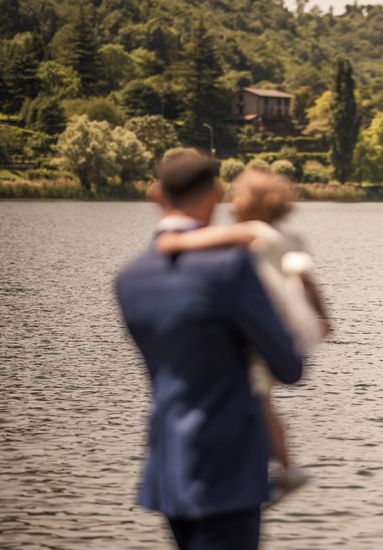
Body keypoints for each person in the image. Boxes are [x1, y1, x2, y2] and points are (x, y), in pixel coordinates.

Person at [115, 152, 304, 550]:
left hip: (167, 469)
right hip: (227, 469)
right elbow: (287, 366)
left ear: (156, 195)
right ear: (216, 194)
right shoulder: (228, 268)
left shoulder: (130, 279)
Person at [154, 168, 333, 502]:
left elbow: (213, 240)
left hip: (267, 324)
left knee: (256, 394)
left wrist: (175, 240)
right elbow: (306, 278)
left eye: (236, 193)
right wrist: (322, 317)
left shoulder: (253, 231)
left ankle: (284, 467)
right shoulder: (290, 238)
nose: (230, 199)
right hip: (291, 322)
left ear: (252, 203)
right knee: (263, 396)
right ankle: (283, 465)